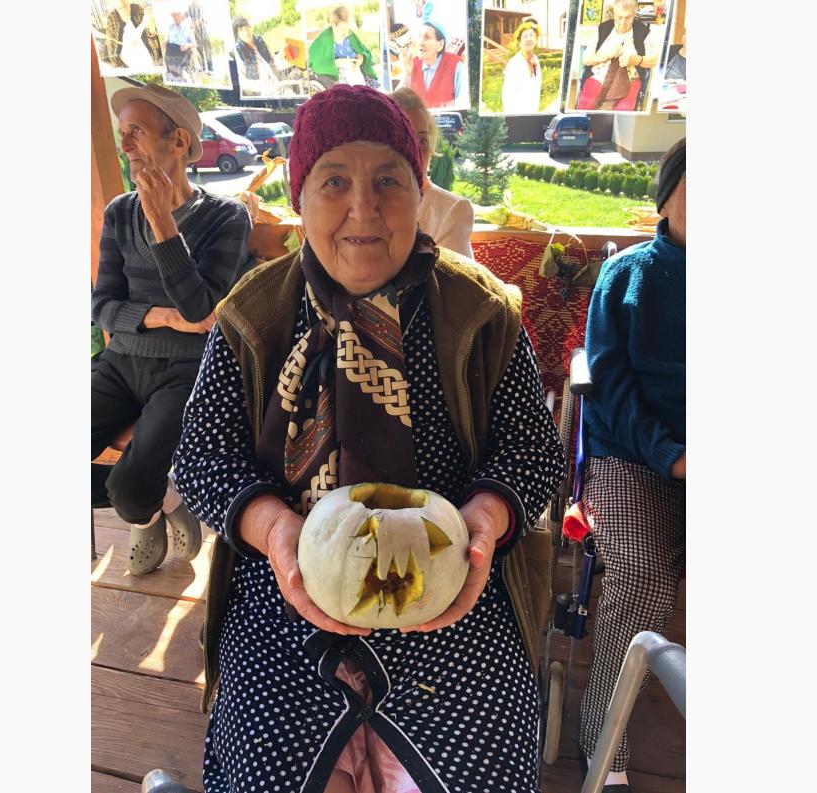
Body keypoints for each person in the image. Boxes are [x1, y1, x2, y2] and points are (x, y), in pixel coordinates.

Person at [173, 84, 566, 793]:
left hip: (453, 600)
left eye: (389, 179)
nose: (364, 206)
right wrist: (275, 531)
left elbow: (532, 451)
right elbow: (202, 457)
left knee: (483, 772)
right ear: (300, 198)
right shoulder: (251, 316)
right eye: (334, 182)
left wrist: (485, 519)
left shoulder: (482, 312)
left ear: (420, 193)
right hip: (286, 598)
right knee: (265, 772)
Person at [92, 83, 254, 574]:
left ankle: (141, 503)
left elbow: (200, 305)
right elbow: (102, 305)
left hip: (188, 370)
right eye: (122, 133)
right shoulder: (119, 213)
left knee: (127, 485)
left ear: (179, 141)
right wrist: (161, 317)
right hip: (120, 363)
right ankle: (156, 506)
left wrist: (162, 222)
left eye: (135, 132)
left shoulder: (226, 217)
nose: (124, 145)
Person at [575, 137, 686, 793]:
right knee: (643, 574)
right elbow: (610, 385)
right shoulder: (626, 276)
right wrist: (673, 457)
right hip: (630, 452)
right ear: (666, 197)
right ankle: (604, 746)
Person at [388, 86, 475, 259]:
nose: (414, 151)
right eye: (403, 139)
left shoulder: (451, 210)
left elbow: (454, 275)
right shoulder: (364, 206)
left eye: (421, 140)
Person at [576, 0, 661, 111]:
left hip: (630, 78)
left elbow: (654, 60)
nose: (623, 22)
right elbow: (586, 59)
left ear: (634, 15)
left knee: (624, 109)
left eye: (628, 17)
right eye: (619, 17)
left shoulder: (643, 32)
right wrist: (606, 54)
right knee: (585, 104)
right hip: (599, 75)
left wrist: (636, 60)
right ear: (614, 15)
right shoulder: (602, 29)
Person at [308, 5, 377, 88]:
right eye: (342, 29)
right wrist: (336, 63)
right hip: (338, 79)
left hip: (356, 74)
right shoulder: (325, 38)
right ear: (333, 25)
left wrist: (361, 58)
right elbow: (313, 61)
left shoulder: (350, 35)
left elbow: (365, 52)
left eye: (347, 29)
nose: (345, 33)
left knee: (365, 91)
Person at [408, 21, 464, 109]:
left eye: (427, 38)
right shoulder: (411, 63)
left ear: (440, 45)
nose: (420, 43)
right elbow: (398, 104)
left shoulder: (455, 64)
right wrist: (406, 74)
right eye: (419, 36)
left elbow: (462, 102)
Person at [100, 0, 163, 72]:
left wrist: (151, 30)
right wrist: (144, 22)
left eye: (125, 6)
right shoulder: (112, 18)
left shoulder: (137, 8)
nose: (122, 4)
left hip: (144, 55)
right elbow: (115, 45)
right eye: (120, 8)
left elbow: (151, 34)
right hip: (127, 62)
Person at [500, 18, 544, 114]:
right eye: (525, 36)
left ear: (536, 39)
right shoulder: (514, 64)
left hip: (533, 112)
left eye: (531, 35)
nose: (529, 39)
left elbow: (535, 82)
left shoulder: (535, 59)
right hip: (517, 114)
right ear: (519, 43)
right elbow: (508, 96)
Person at [232, 15, 278, 92]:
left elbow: (273, 61)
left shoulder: (260, 40)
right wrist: (263, 86)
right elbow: (242, 82)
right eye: (241, 30)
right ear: (237, 34)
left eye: (247, 27)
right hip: (262, 92)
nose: (246, 32)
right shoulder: (237, 51)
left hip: (277, 83)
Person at [163, 5, 196, 81]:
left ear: (181, 16)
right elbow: (168, 40)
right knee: (170, 77)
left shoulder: (187, 28)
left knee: (184, 78)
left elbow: (194, 44)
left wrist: (187, 45)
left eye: (177, 15)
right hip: (170, 56)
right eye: (174, 16)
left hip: (182, 56)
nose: (176, 17)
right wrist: (165, 42)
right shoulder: (170, 27)